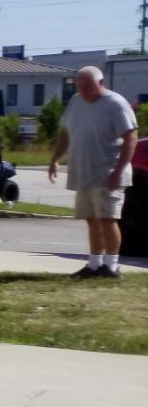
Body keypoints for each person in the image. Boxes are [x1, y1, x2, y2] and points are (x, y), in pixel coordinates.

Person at [48, 66, 139, 278]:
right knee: (91, 218)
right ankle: (94, 264)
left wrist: (118, 171)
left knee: (108, 218)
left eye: (87, 86)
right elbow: (65, 133)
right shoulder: (76, 102)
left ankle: (112, 266)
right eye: (79, 86)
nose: (83, 90)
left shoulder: (115, 103)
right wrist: (54, 160)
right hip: (84, 171)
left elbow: (131, 137)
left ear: (100, 83)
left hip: (108, 172)